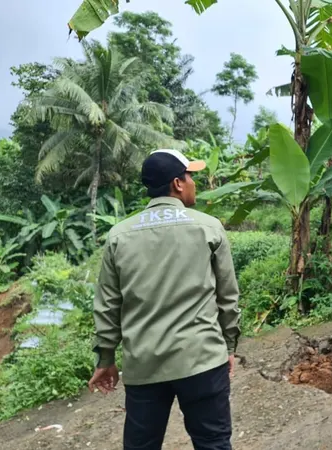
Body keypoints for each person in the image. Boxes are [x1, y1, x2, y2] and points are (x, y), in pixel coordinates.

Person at [88, 149, 241, 450]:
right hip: (202, 361)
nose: (194, 182)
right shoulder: (208, 228)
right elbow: (228, 297)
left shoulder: (119, 236)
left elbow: (107, 306)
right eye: (190, 176)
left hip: (144, 366)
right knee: (213, 443)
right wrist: (229, 345)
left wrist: (105, 359)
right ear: (177, 183)